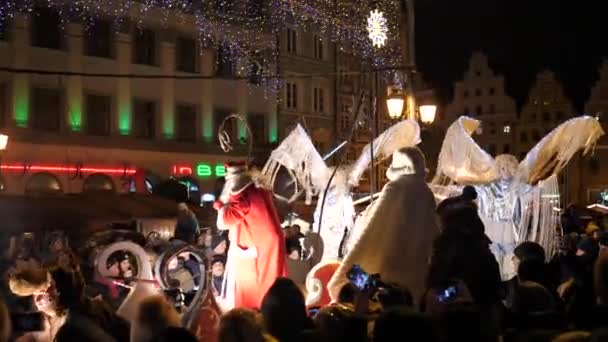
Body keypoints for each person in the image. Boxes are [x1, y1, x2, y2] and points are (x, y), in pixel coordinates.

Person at [328, 147, 439, 304]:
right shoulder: (426, 191)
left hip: (391, 268)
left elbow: (373, 229)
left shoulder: (395, 188)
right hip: (417, 269)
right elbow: (432, 227)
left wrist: (346, 270)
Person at [214, 162, 287, 309]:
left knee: (257, 286)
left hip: (257, 247)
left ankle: (257, 314)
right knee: (271, 282)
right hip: (266, 243)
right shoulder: (257, 190)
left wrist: (219, 205)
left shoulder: (241, 194)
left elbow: (226, 221)